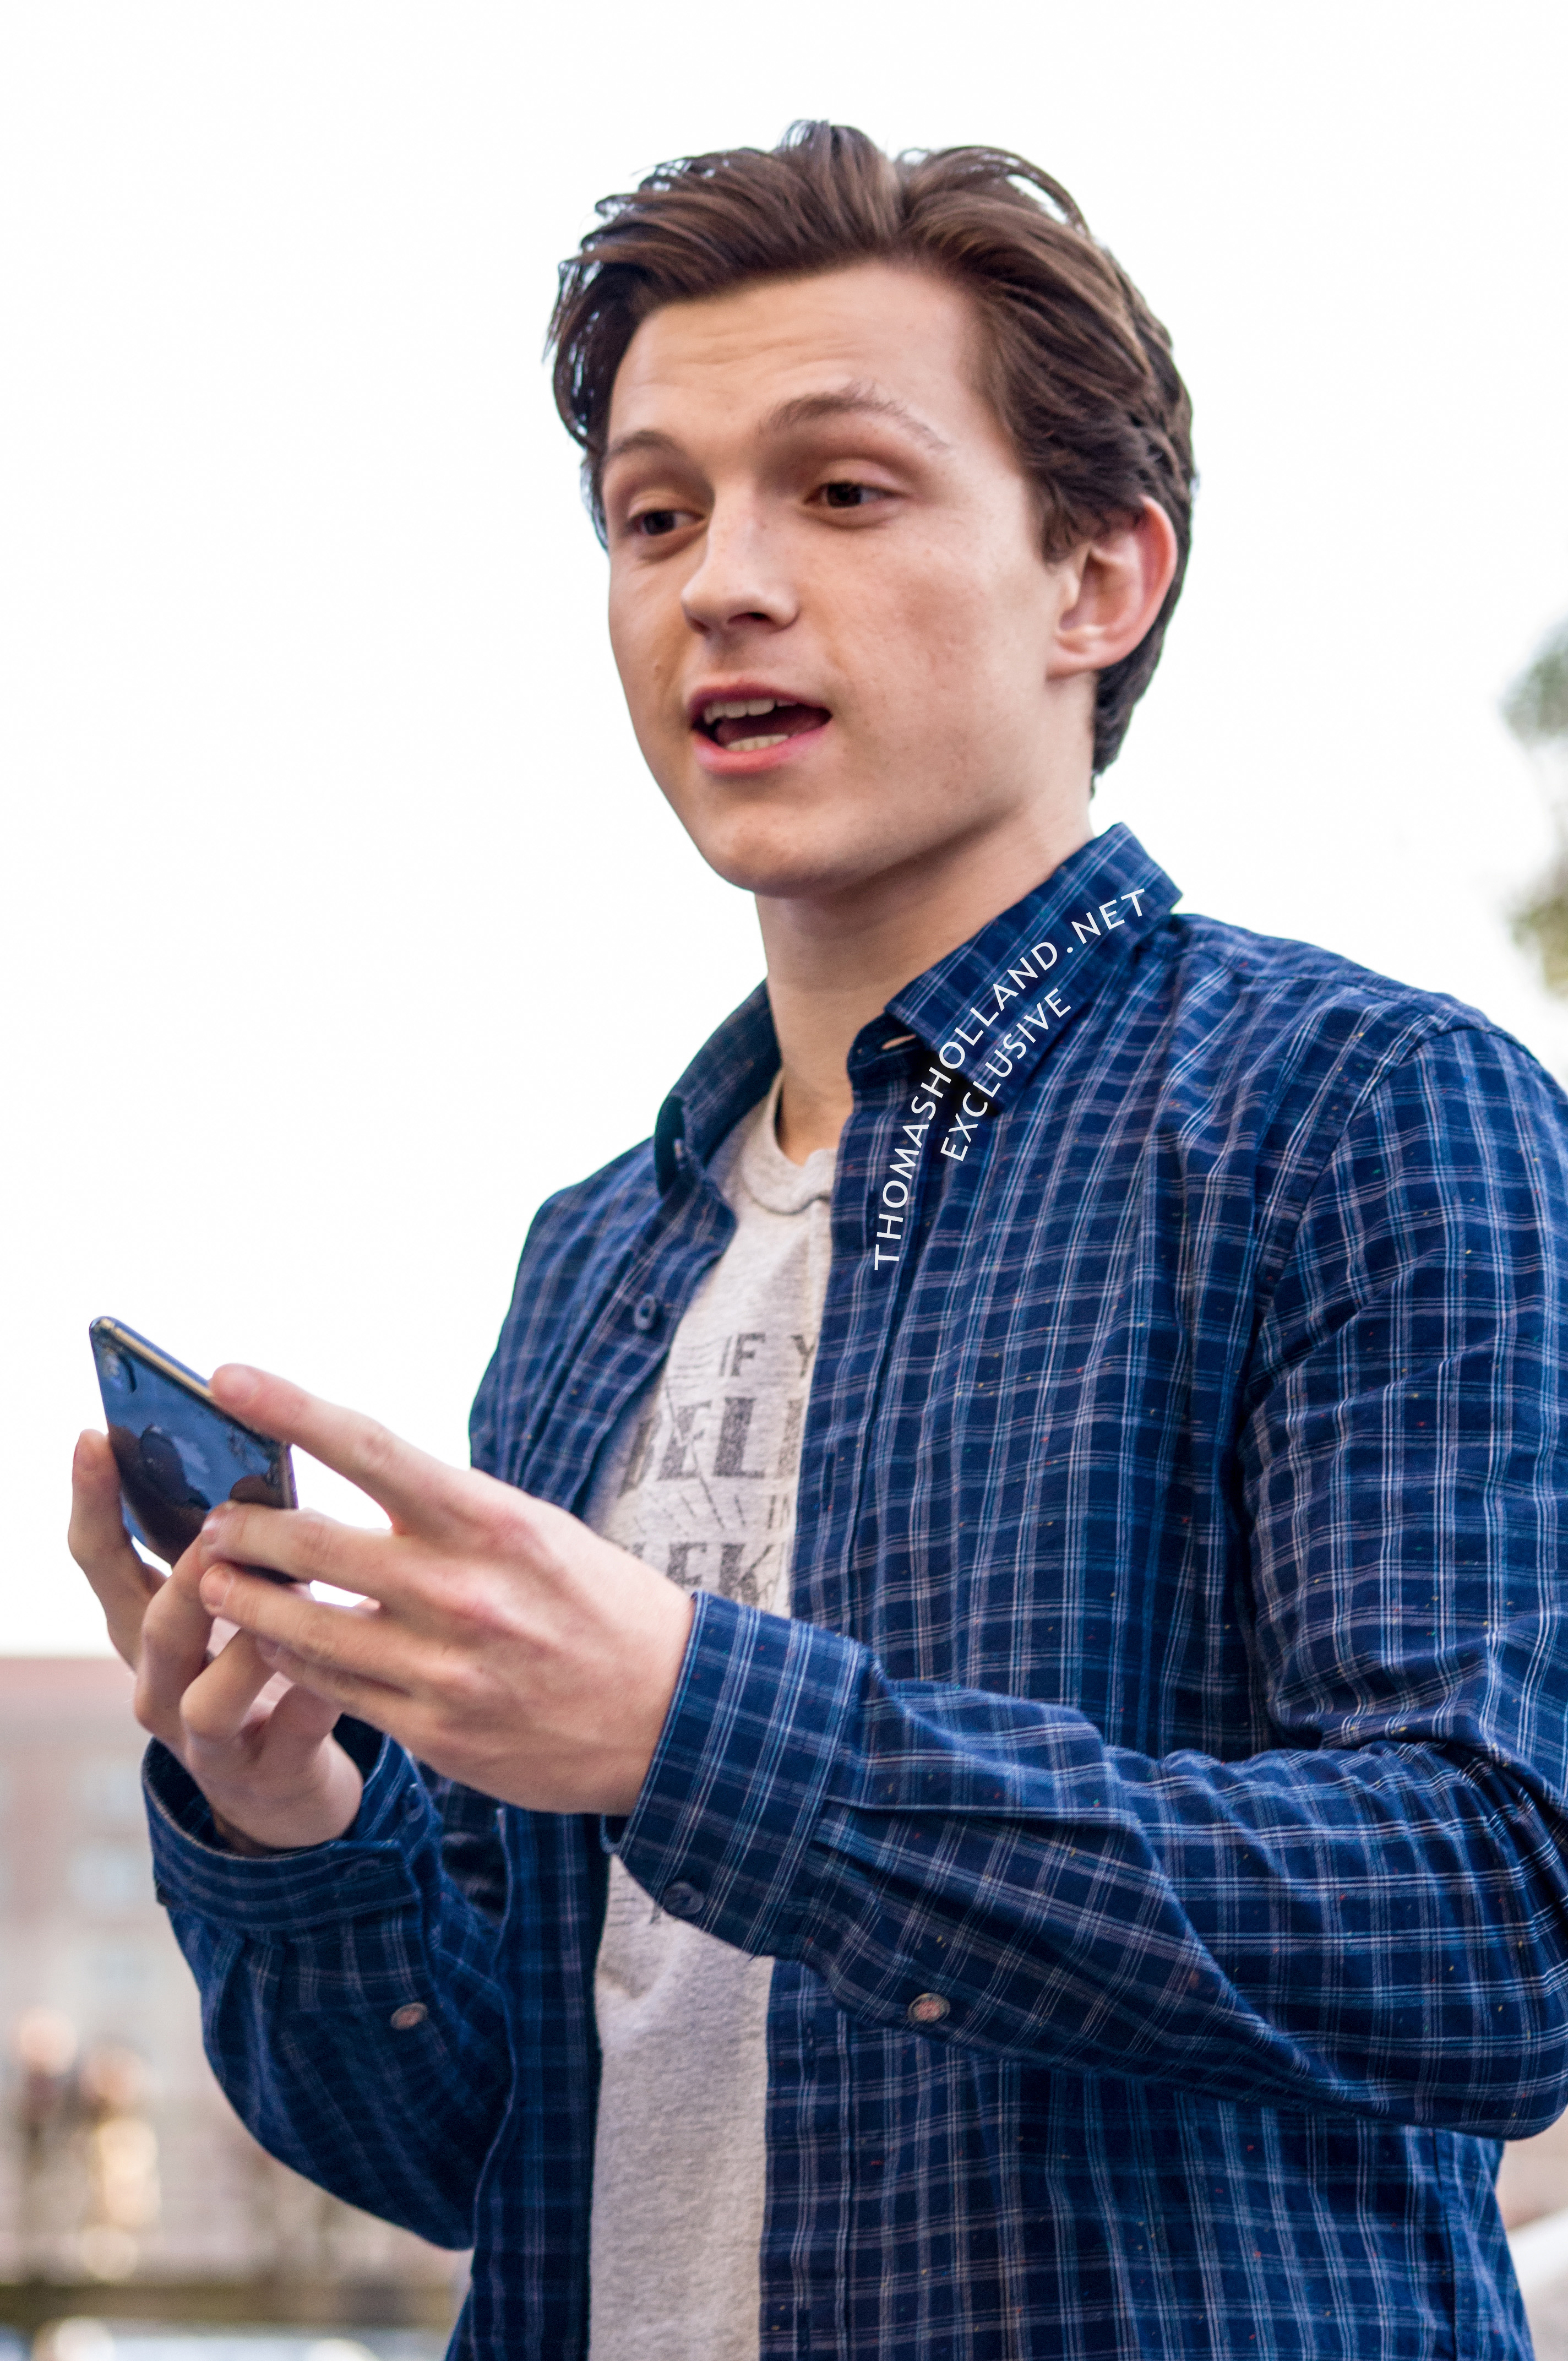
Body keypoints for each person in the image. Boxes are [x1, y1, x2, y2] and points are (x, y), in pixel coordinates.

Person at [69, 122, 1568, 2360]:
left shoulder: (1362, 1110)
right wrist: (284, 1817)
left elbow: (1500, 1926)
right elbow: (482, 2139)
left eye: (842, 491)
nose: (722, 585)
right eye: (654, 515)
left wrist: (700, 1728)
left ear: (1099, 578)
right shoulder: (595, 1258)